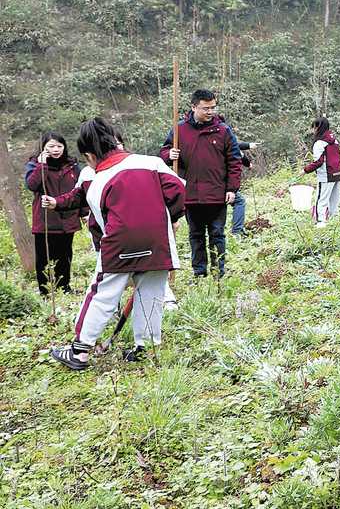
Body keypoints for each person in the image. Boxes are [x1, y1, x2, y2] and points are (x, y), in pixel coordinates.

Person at [46, 118, 185, 369]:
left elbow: (100, 224)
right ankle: (146, 348)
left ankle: (79, 351)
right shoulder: (152, 162)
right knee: (152, 294)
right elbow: (178, 191)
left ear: (90, 154)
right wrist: (170, 218)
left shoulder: (97, 181)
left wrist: (107, 250)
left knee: (102, 294)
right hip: (158, 240)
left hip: (120, 245)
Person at [161, 90, 242, 278]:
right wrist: (169, 155)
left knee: (217, 234)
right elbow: (164, 151)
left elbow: (234, 160)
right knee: (195, 235)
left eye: (213, 107)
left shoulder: (222, 130)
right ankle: (199, 272)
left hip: (217, 194)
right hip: (191, 195)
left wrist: (232, 188)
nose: (210, 111)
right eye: (206, 108)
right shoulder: (179, 130)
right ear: (193, 107)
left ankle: (218, 272)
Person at [24, 133, 82, 295]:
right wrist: (41, 166)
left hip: (67, 219)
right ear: (43, 148)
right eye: (51, 146)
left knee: (65, 256)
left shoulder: (72, 166)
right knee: (43, 258)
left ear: (64, 147)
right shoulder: (34, 164)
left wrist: (84, 213)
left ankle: (64, 287)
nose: (55, 150)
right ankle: (45, 291)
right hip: (45, 221)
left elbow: (81, 191)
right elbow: (32, 185)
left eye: (59, 146)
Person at [304, 117, 340, 225]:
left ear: (318, 127)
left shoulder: (319, 143)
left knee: (321, 199)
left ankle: (321, 222)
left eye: (314, 127)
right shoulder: (335, 140)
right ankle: (335, 221)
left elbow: (318, 161)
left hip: (326, 175)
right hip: (337, 173)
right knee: (334, 200)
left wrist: (305, 170)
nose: (313, 130)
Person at [229, 126, 255, 236]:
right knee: (239, 201)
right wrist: (248, 145)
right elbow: (236, 147)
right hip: (222, 184)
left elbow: (241, 155)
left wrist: (248, 164)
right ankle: (237, 232)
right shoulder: (227, 143)